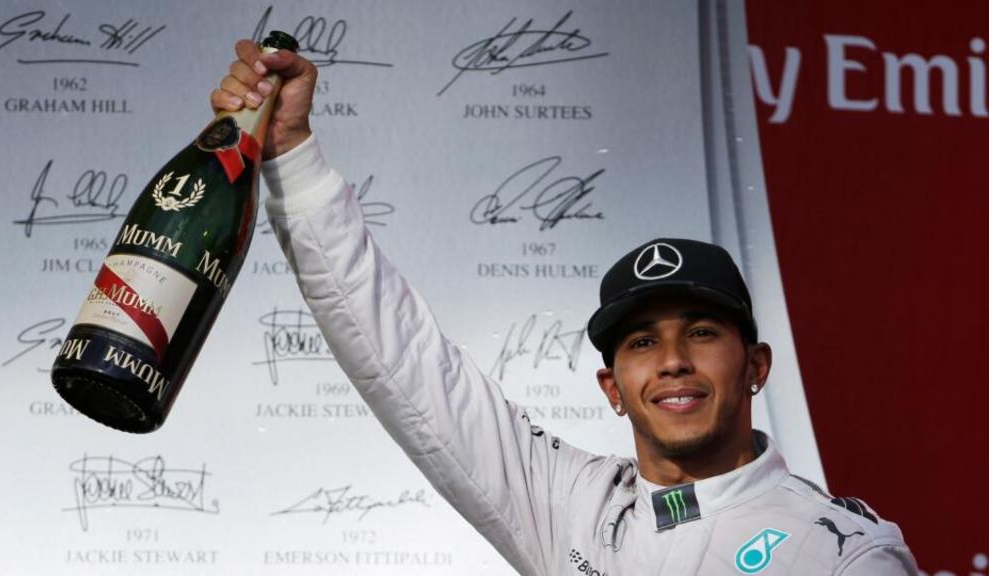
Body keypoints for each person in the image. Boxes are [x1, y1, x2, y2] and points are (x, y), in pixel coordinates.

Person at [212, 40, 918, 575]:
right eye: (641, 343)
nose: (673, 362)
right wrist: (292, 156)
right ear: (612, 388)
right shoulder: (573, 504)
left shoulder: (843, 554)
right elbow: (405, 361)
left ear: (756, 366)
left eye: (701, 333)